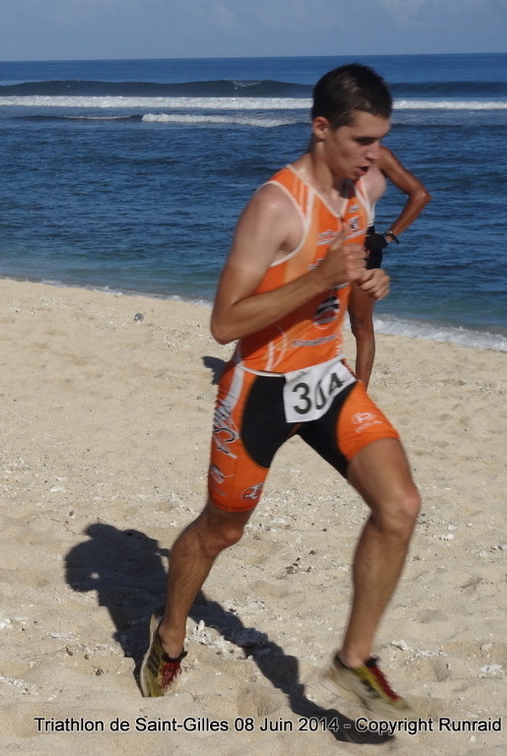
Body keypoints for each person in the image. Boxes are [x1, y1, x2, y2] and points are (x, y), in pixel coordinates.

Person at [139, 65, 422, 719]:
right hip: (260, 390)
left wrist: (367, 284)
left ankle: (353, 659)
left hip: (325, 378)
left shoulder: (367, 187)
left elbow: (348, 270)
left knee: (400, 505)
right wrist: (322, 276)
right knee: (221, 532)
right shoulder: (275, 206)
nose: (375, 156)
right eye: (362, 141)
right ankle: (171, 632)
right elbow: (225, 323)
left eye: (381, 140)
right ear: (321, 128)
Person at [349, 146, 431, 385]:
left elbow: (420, 194)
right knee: (316, 320)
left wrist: (387, 237)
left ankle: (360, 395)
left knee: (360, 326)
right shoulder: (325, 150)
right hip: (325, 242)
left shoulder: (378, 154)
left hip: (364, 245)